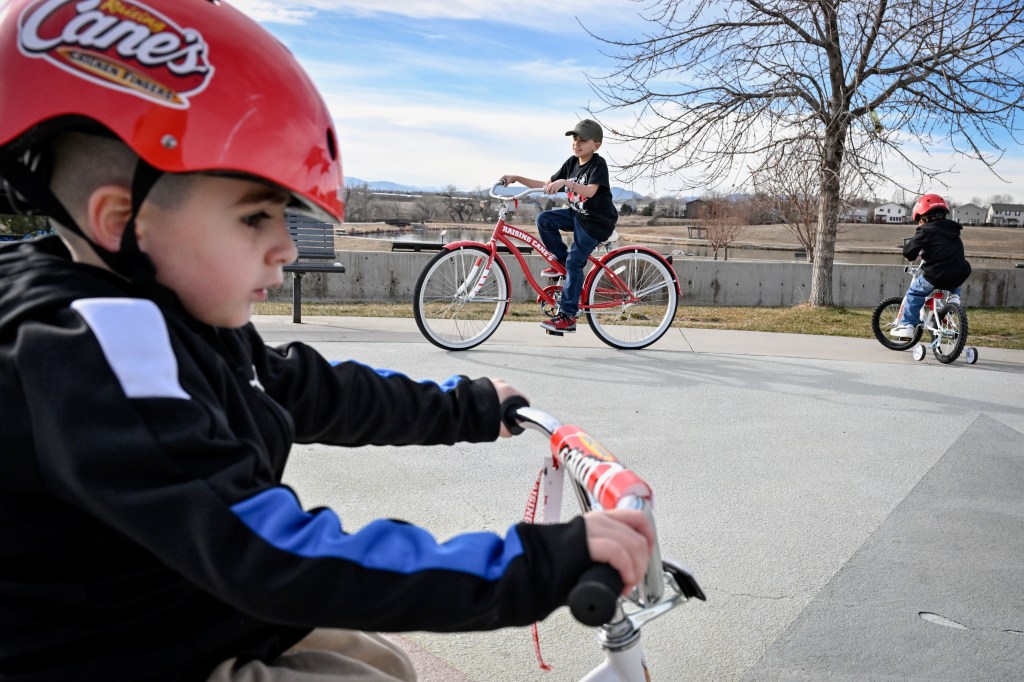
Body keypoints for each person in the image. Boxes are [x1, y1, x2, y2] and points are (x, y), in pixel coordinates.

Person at [0, 2, 654, 681]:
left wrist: (465, 407)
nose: (285, 248)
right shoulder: (90, 351)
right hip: (120, 656)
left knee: (381, 663)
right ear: (120, 220)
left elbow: (298, 386)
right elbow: (268, 550)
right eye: (255, 217)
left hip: (188, 614)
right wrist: (535, 563)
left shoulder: (160, 308)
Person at [502, 119, 619, 334]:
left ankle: (567, 316)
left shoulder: (597, 164)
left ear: (596, 145)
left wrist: (567, 183)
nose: (577, 143)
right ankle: (562, 264)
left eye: (583, 140)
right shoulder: (571, 163)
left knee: (576, 261)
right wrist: (516, 178)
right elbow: (544, 185)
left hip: (596, 222)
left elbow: (591, 192)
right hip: (579, 215)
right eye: (575, 139)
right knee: (544, 220)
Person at [891, 193, 972, 338]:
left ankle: (907, 325)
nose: (919, 224)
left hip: (937, 274)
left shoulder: (926, 230)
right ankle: (954, 297)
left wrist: (909, 250)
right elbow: (946, 252)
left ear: (924, 217)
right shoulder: (954, 230)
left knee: (915, 293)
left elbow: (909, 252)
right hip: (960, 273)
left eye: (919, 221)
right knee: (953, 270)